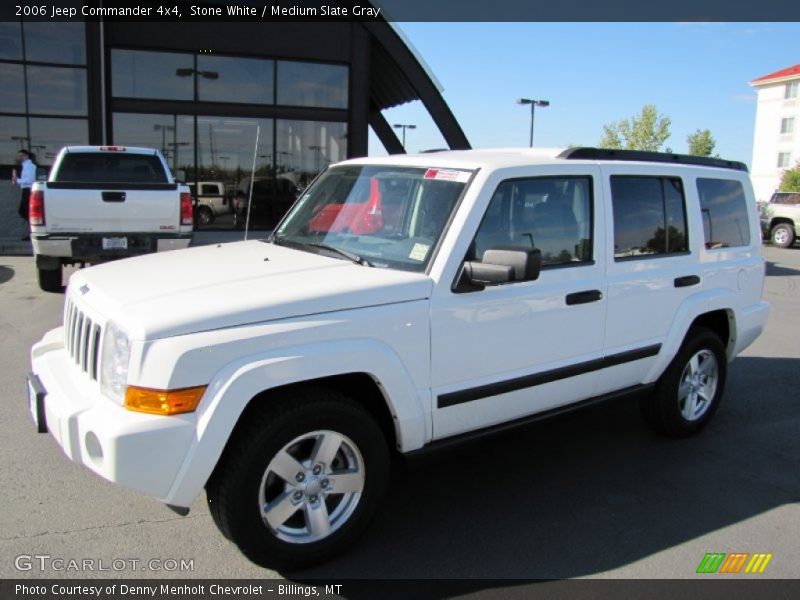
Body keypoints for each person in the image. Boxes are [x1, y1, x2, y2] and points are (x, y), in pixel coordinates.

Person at [12, 149, 37, 241]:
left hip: (29, 191)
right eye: (19, 156)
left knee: (25, 211)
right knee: (24, 211)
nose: (19, 157)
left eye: (21, 155)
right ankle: (32, 232)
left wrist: (17, 180)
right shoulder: (25, 166)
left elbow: (30, 180)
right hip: (25, 190)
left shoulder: (30, 166)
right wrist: (16, 180)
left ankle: (33, 232)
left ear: (26, 156)